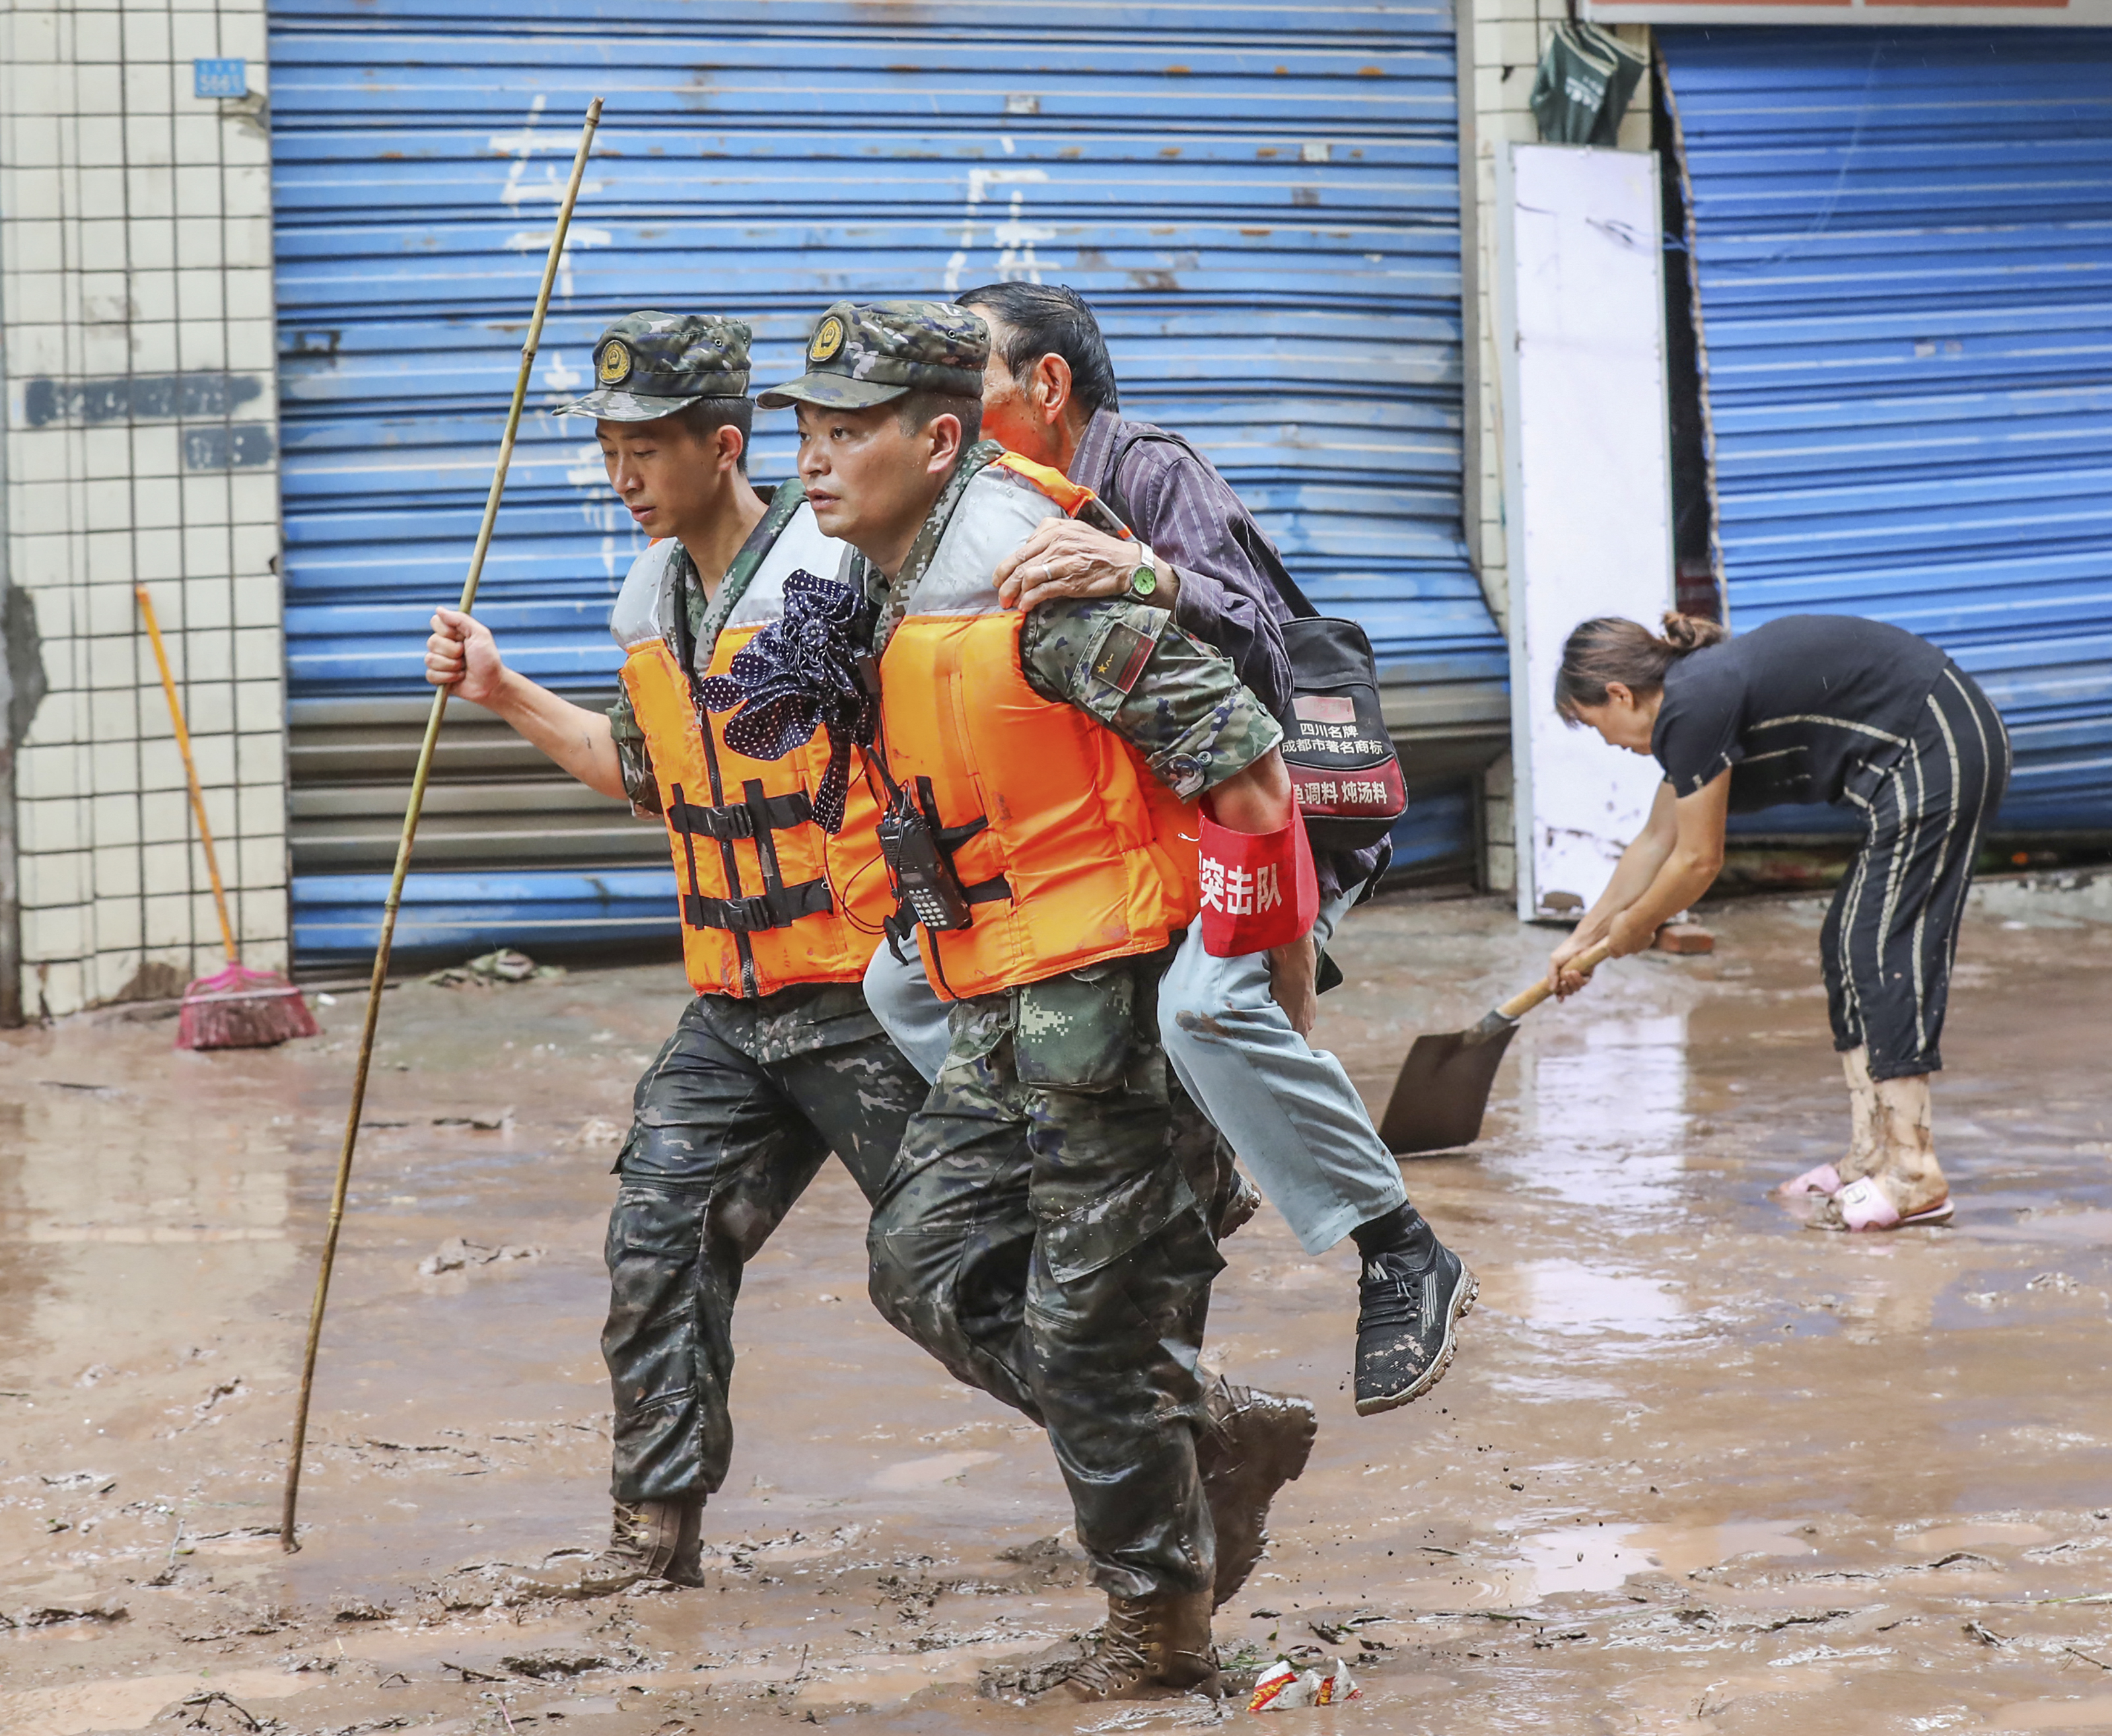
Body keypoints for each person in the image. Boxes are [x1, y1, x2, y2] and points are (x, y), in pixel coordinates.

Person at [752, 298, 1316, 1700]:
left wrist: (1265, 1040)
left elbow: (1251, 776)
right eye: (806, 435)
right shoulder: (883, 595)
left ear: (941, 440)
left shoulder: (1032, 593)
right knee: (921, 1264)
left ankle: (1161, 1634)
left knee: (1088, 1329)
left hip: (1119, 1008)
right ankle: (1202, 1426)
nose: (814, 464)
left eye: (847, 434)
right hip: (998, 1002)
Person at [859, 281, 1473, 1416]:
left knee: (1206, 1009)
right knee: (897, 978)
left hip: (1263, 805)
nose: (936, 408)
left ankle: (1397, 1249)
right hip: (1129, 834)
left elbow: (1249, 632)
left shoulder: (1144, 471)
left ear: (1043, 385)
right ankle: (1126, 1160)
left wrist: (1135, 569)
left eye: (968, 378)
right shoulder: (959, 507)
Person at [422, 312, 932, 1593]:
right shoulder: (654, 600)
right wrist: (501, 690)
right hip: (735, 1000)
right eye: (608, 450)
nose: (623, 475)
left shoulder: (840, 575)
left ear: (723, 445)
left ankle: (1183, 1439)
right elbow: (647, 779)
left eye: (647, 447)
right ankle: (651, 1542)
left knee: (959, 1274)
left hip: (868, 995)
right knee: (657, 1234)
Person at [1546, 611, 2009, 1232]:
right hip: (1918, 756)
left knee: (1879, 945)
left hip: (1937, 746)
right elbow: (1655, 839)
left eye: (1597, 725)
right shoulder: (1694, 702)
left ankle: (1914, 1171)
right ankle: (1870, 1157)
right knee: (1845, 943)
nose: (1608, 743)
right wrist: (1584, 936)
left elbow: (1697, 861)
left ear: (1619, 694)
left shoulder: (1692, 701)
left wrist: (1636, 926)